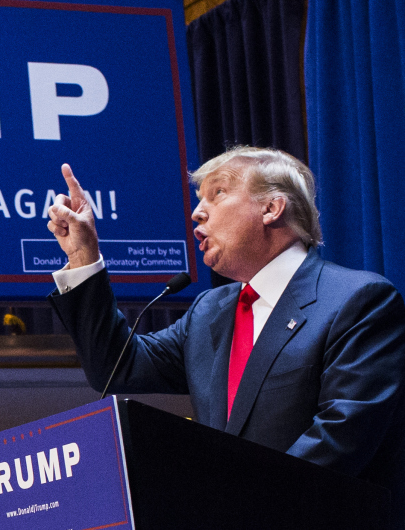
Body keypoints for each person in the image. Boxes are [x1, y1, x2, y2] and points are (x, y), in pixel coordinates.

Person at [46, 146, 405, 526]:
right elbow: (118, 367)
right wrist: (84, 257)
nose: (197, 212)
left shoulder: (357, 300)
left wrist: (228, 507)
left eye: (217, 193)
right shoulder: (209, 312)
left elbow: (340, 439)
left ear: (271, 208)